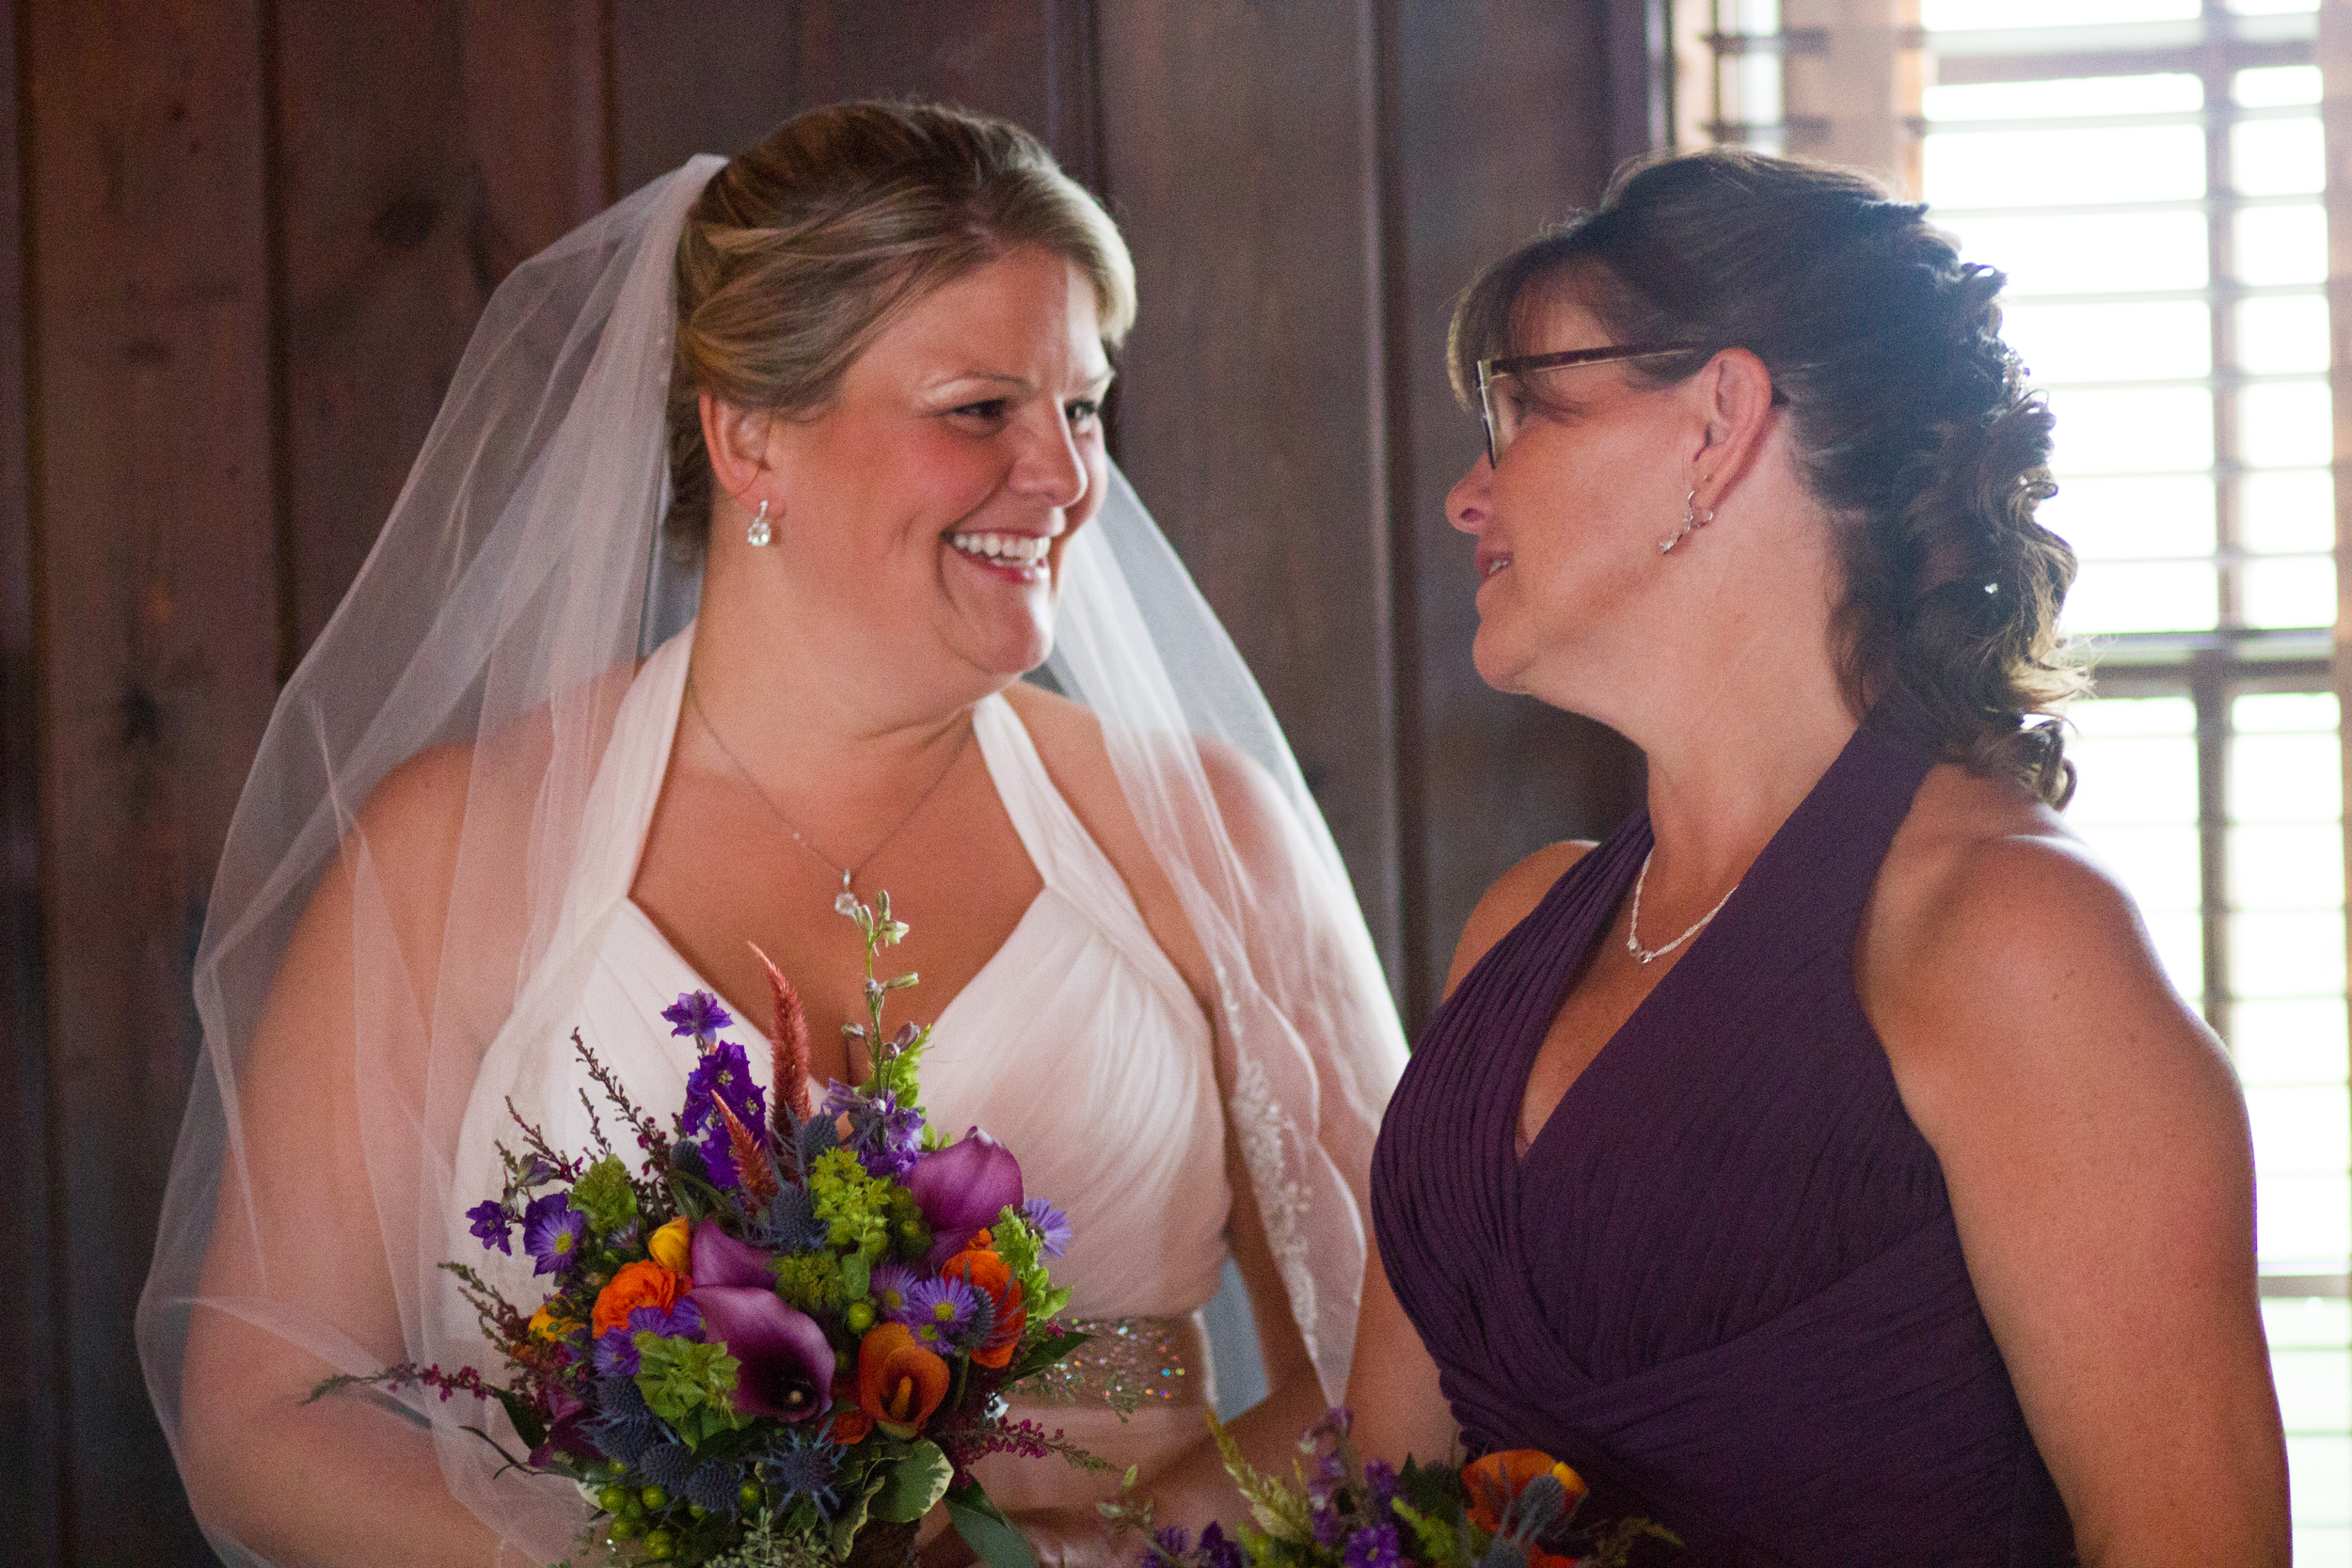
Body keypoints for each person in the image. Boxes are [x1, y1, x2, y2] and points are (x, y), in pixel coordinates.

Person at [138, 102, 1406, 1567]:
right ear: (750, 437)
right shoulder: (454, 854)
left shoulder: (1204, 837)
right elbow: (264, 1417)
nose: (1064, 479)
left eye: (1082, 407)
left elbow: (1413, 1354)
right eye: (981, 408)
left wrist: (1097, 1557)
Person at [1345, 149, 2288, 1567]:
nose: (1466, 496)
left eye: (1524, 407)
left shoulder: (2013, 941)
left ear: (1720, 422)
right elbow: (1373, 1510)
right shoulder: (1517, 928)